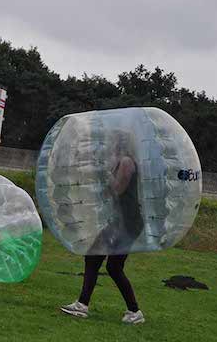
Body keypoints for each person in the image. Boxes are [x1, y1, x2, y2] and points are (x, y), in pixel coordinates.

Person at [61, 132, 145, 324]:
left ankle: (133, 311)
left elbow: (117, 190)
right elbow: (109, 194)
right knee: (100, 261)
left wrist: (103, 176)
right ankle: (86, 306)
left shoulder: (126, 162)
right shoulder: (120, 162)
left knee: (108, 264)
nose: (110, 144)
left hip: (128, 223)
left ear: (121, 144)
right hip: (121, 221)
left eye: (114, 141)